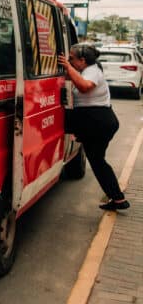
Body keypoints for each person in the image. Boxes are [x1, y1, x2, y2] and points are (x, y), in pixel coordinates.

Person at [58, 44, 130, 210]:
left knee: (97, 161)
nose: (69, 61)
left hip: (98, 122)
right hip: (95, 122)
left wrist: (68, 67)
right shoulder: (86, 70)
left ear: (82, 60)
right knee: (98, 161)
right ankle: (118, 199)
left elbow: (84, 87)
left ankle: (118, 198)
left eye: (72, 58)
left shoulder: (92, 71)